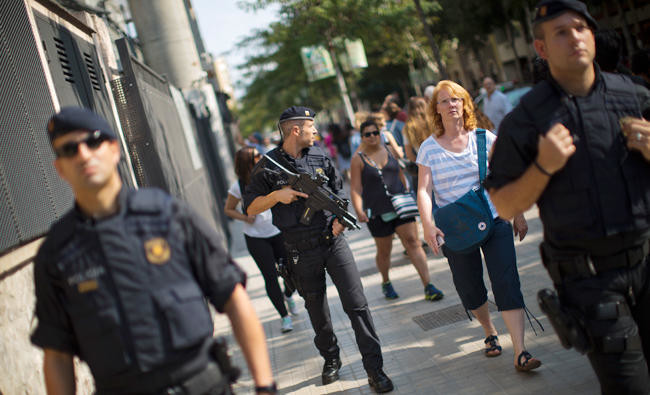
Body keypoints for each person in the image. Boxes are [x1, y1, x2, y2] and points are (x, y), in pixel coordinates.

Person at [31, 107, 276, 395]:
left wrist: (265, 386)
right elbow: (57, 355)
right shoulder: (57, 252)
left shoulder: (168, 216)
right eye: (69, 149)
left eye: (93, 142)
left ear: (113, 149)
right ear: (59, 168)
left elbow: (234, 298)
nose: (84, 154)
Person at [486, 0, 650, 392]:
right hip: (591, 280)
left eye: (581, 27)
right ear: (541, 48)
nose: (575, 36)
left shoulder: (635, 96)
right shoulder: (526, 120)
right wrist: (543, 166)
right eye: (561, 31)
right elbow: (505, 205)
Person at [243, 106, 394, 393]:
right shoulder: (269, 165)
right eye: (311, 127)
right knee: (317, 311)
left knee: (357, 305)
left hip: (333, 241)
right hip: (299, 249)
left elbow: (339, 192)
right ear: (295, 130)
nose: (316, 132)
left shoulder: (321, 155)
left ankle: (375, 370)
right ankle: (331, 358)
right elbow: (249, 207)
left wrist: (340, 220)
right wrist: (276, 195)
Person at [416, 81, 541, 372]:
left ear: (466, 104)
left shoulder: (485, 138)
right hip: (456, 228)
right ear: (436, 108)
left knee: (507, 281)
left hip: (495, 218)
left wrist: (518, 213)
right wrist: (427, 225)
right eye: (445, 101)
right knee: (471, 288)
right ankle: (489, 331)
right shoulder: (429, 148)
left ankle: (520, 351)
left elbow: (507, 176)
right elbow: (423, 190)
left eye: (457, 99)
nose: (452, 105)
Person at [350, 119, 444, 301]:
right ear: (362, 137)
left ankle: (428, 285)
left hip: (401, 206)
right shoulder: (358, 159)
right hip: (377, 211)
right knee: (384, 251)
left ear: (380, 134)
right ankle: (386, 281)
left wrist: (407, 194)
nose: (372, 137)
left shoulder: (390, 151)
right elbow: (355, 188)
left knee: (413, 243)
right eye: (367, 134)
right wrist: (359, 210)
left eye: (375, 133)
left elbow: (401, 176)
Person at [224, 146, 298, 334]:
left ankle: (288, 295)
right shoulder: (238, 186)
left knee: (292, 270)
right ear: (246, 162)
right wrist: (245, 217)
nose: (260, 157)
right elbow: (228, 209)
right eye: (255, 156)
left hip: (278, 231)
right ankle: (284, 317)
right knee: (270, 277)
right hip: (256, 237)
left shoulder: (269, 177)